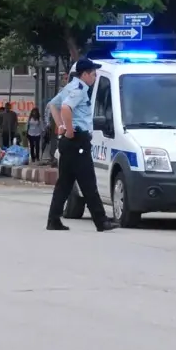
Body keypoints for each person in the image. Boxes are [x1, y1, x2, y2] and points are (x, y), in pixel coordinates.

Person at [47, 59, 116, 232]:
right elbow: (64, 108)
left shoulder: (70, 87)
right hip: (77, 140)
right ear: (84, 74)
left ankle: (53, 220)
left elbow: (53, 105)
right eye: (93, 74)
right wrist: (68, 130)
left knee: (64, 184)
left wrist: (61, 127)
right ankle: (101, 222)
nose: (94, 77)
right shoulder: (79, 90)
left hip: (69, 143)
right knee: (88, 183)